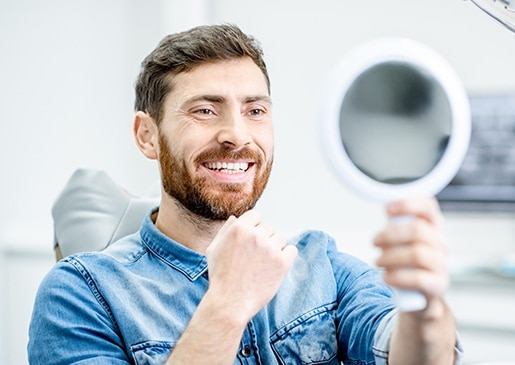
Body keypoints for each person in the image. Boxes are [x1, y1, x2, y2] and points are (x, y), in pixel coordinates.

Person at [28, 24, 461, 365]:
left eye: (255, 111)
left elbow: (406, 354)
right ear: (147, 136)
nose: (237, 135)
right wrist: (227, 304)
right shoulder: (80, 292)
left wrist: (423, 310)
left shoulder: (321, 265)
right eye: (204, 110)